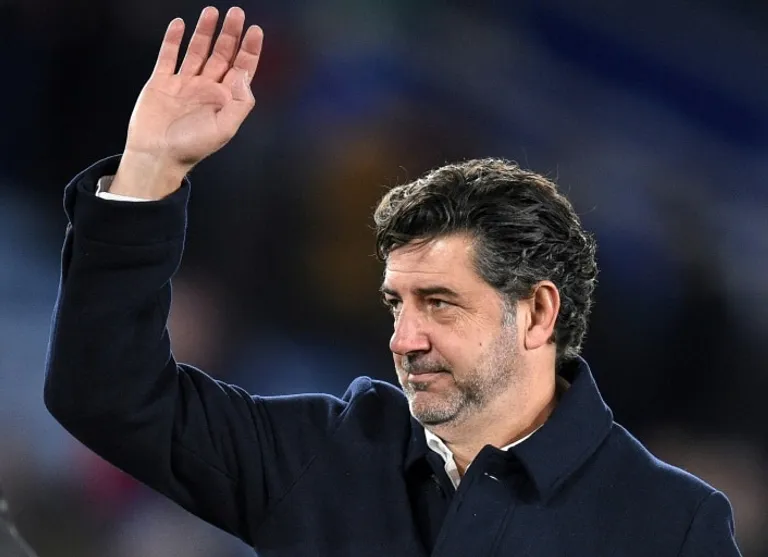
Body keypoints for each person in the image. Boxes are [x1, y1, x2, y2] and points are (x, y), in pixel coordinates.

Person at [44, 6, 742, 556]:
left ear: (536, 313)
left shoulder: (670, 524)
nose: (404, 339)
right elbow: (106, 394)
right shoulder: (334, 453)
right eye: (397, 303)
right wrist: (151, 169)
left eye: (439, 303)